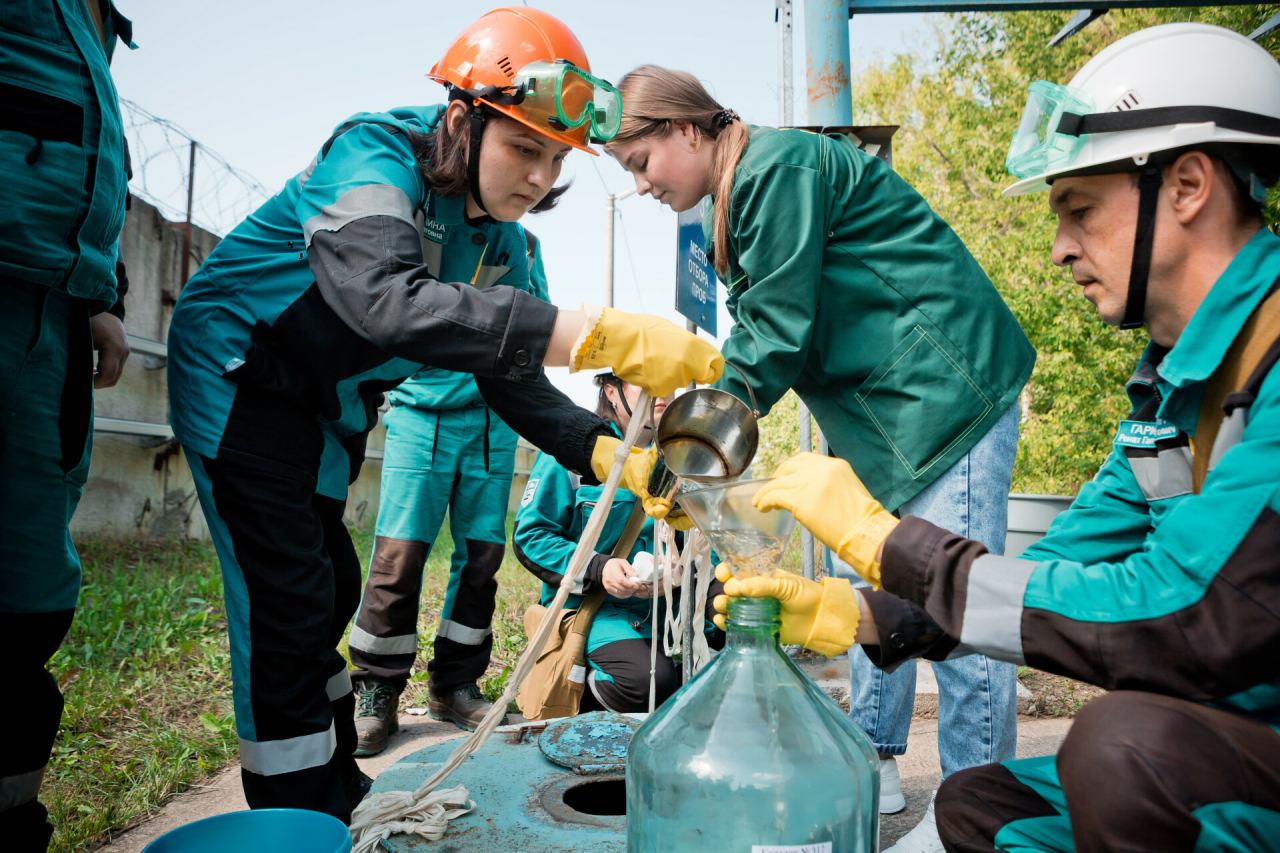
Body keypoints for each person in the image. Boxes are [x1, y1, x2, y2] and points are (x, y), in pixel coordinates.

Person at [719, 23, 1280, 852]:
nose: (1058, 248)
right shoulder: (1173, 390)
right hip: (1242, 738)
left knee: (1119, 752)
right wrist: (867, 616)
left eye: (1079, 210)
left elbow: (1192, 616)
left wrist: (890, 542)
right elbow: (1061, 569)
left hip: (1228, 730)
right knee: (981, 802)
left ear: (1189, 183)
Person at [164, 7, 721, 823]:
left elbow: (514, 379)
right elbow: (384, 302)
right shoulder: (374, 153)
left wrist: (616, 458)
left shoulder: (509, 243)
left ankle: (337, 790)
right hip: (237, 377)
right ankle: (292, 815)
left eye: (554, 157)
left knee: (329, 589)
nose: (537, 177)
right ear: (463, 120)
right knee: (283, 601)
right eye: (522, 147)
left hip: (325, 406)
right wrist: (596, 333)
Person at [606, 65, 1035, 846]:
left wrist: (690, 451)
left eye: (641, 163)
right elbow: (768, 335)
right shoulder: (736, 195)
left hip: (945, 392)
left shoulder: (778, 167)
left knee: (957, 605)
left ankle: (978, 811)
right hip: (878, 413)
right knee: (864, 583)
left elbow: (773, 332)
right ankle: (865, 757)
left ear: (687, 129)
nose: (640, 186)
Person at [1, 2, 136, 849]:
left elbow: (87, 164)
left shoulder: (99, 23)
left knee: (27, 594)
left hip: (51, 315)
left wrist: (105, 292)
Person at [347, 231, 549, 747]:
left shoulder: (524, 242)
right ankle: (377, 688)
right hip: (419, 413)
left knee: (482, 558)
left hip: (492, 421)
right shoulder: (422, 223)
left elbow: (534, 319)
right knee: (399, 553)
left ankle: (456, 684)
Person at [514, 375, 723, 712]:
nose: (661, 391)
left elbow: (700, 543)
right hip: (596, 611)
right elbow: (531, 537)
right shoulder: (570, 453)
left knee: (743, 614)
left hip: (665, 606)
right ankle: (577, 685)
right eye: (644, 380)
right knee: (651, 683)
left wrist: (681, 572)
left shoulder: (680, 454)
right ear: (611, 391)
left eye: (668, 381)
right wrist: (600, 567)